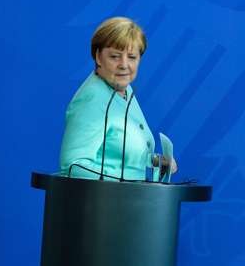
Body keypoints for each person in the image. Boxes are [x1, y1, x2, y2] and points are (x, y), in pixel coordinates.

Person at [59, 17, 176, 181]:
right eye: (115, 56)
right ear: (98, 57)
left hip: (130, 202)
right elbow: (73, 165)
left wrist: (155, 161)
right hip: (100, 204)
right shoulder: (92, 98)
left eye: (132, 57)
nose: (124, 64)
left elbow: (116, 152)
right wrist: (127, 183)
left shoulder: (123, 89)